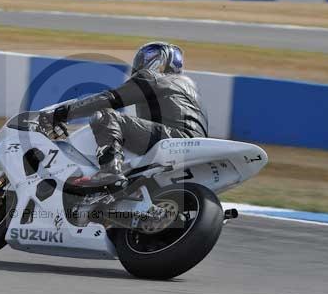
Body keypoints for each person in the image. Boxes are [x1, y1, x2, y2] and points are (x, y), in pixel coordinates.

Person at [40, 41, 209, 188]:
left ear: (160, 61)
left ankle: (110, 170)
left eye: (148, 56)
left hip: (174, 139)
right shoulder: (187, 85)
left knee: (106, 116)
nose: (142, 61)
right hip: (192, 143)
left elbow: (110, 98)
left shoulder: (154, 78)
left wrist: (63, 114)